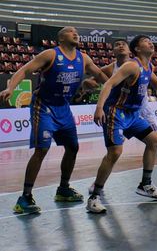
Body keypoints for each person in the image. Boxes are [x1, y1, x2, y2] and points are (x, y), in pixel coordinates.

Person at [0, 27, 108, 214]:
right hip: (44, 106)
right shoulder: (50, 54)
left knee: (73, 148)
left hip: (64, 108)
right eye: (70, 31)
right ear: (60, 38)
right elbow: (24, 70)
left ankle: (63, 189)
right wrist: (11, 88)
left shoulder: (84, 58)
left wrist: (96, 83)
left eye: (76, 31)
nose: (75, 33)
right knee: (42, 149)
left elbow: (102, 77)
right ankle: (25, 197)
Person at [87, 36, 157, 214]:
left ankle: (145, 184)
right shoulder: (132, 65)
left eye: (150, 41)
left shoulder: (149, 67)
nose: (150, 43)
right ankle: (94, 196)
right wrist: (99, 107)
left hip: (133, 114)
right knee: (115, 152)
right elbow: (109, 83)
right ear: (137, 49)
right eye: (146, 41)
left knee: (154, 141)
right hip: (115, 111)